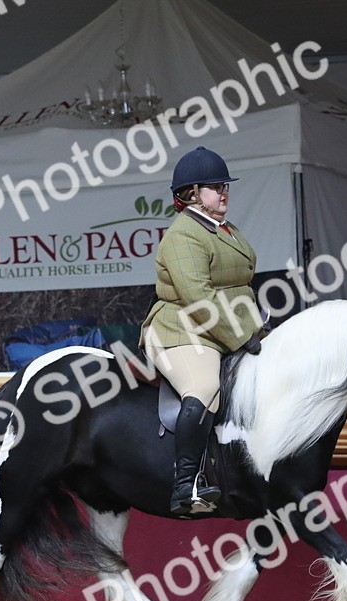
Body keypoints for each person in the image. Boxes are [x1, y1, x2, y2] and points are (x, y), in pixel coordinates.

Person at [139, 146, 263, 515]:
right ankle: (185, 485)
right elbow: (198, 297)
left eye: (224, 185)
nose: (223, 192)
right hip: (182, 329)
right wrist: (242, 336)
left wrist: (257, 327)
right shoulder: (183, 236)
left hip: (226, 324)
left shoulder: (224, 229)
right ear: (191, 194)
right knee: (205, 387)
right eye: (213, 187)